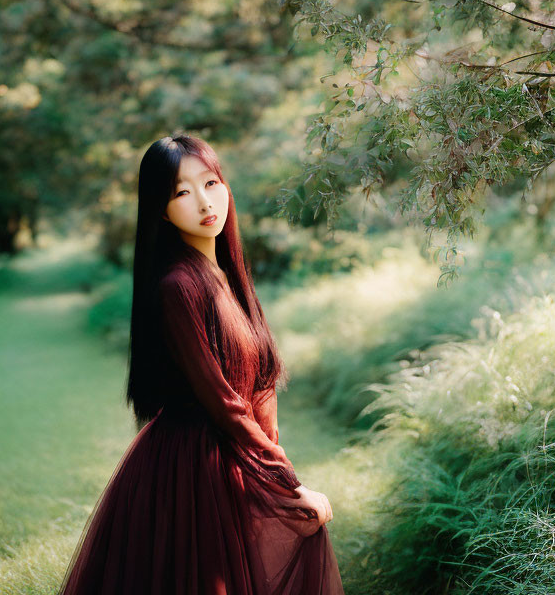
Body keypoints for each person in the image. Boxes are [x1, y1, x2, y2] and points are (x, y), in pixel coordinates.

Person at [57, 133, 344, 594]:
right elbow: (225, 404)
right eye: (182, 192)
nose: (204, 201)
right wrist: (289, 483)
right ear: (162, 209)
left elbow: (261, 383)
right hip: (192, 472)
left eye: (210, 183)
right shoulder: (178, 286)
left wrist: (271, 473)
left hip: (229, 460)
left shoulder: (228, 277)